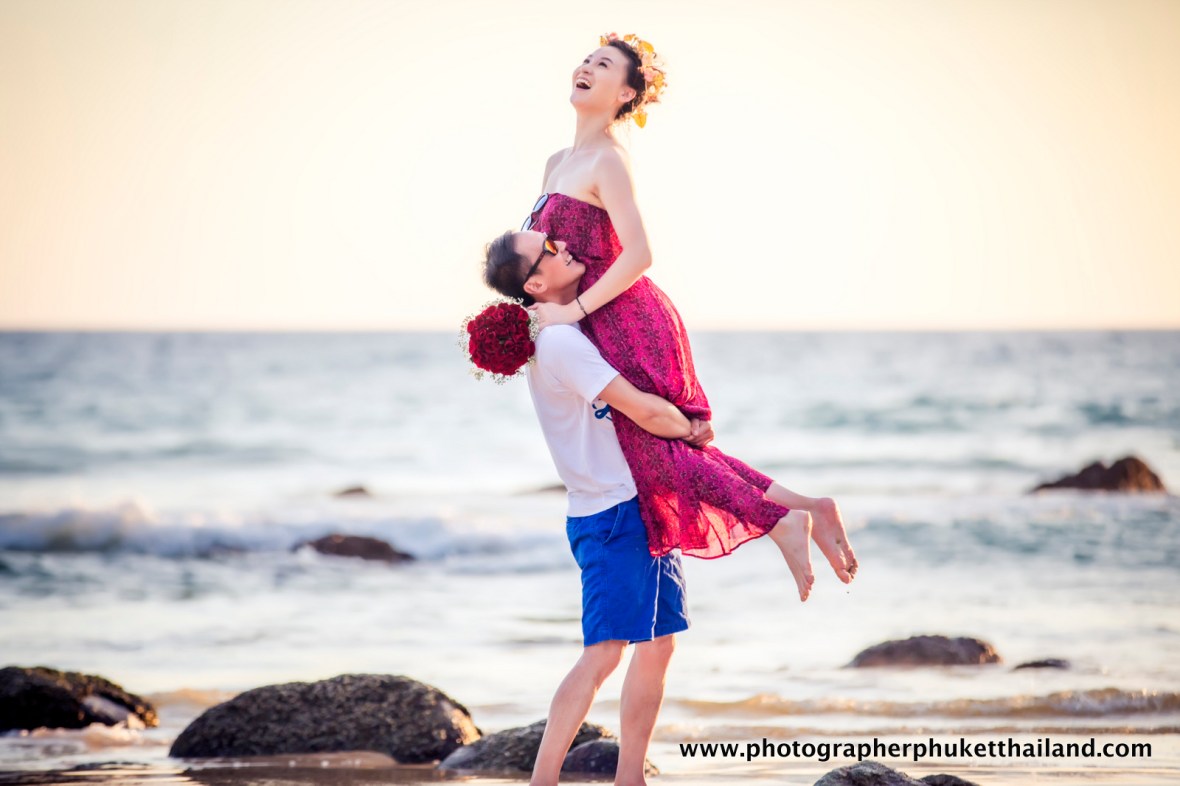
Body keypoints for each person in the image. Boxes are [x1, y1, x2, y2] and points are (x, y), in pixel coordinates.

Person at [482, 33, 857, 601]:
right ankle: (804, 508)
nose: (585, 66)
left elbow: (639, 253)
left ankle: (783, 521)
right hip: (594, 320)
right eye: (586, 58)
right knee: (671, 448)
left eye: (603, 64)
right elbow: (536, 258)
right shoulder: (557, 162)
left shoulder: (608, 158)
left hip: (628, 315)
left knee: (656, 450)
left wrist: (573, 313)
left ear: (627, 92)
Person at [484, 230, 813, 786]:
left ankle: (630, 777)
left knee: (658, 645)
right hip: (613, 514)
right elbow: (641, 412)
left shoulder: (564, 331)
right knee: (603, 653)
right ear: (535, 283)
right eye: (549, 247)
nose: (563, 244)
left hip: (631, 505)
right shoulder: (561, 343)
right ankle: (542, 781)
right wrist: (694, 427)